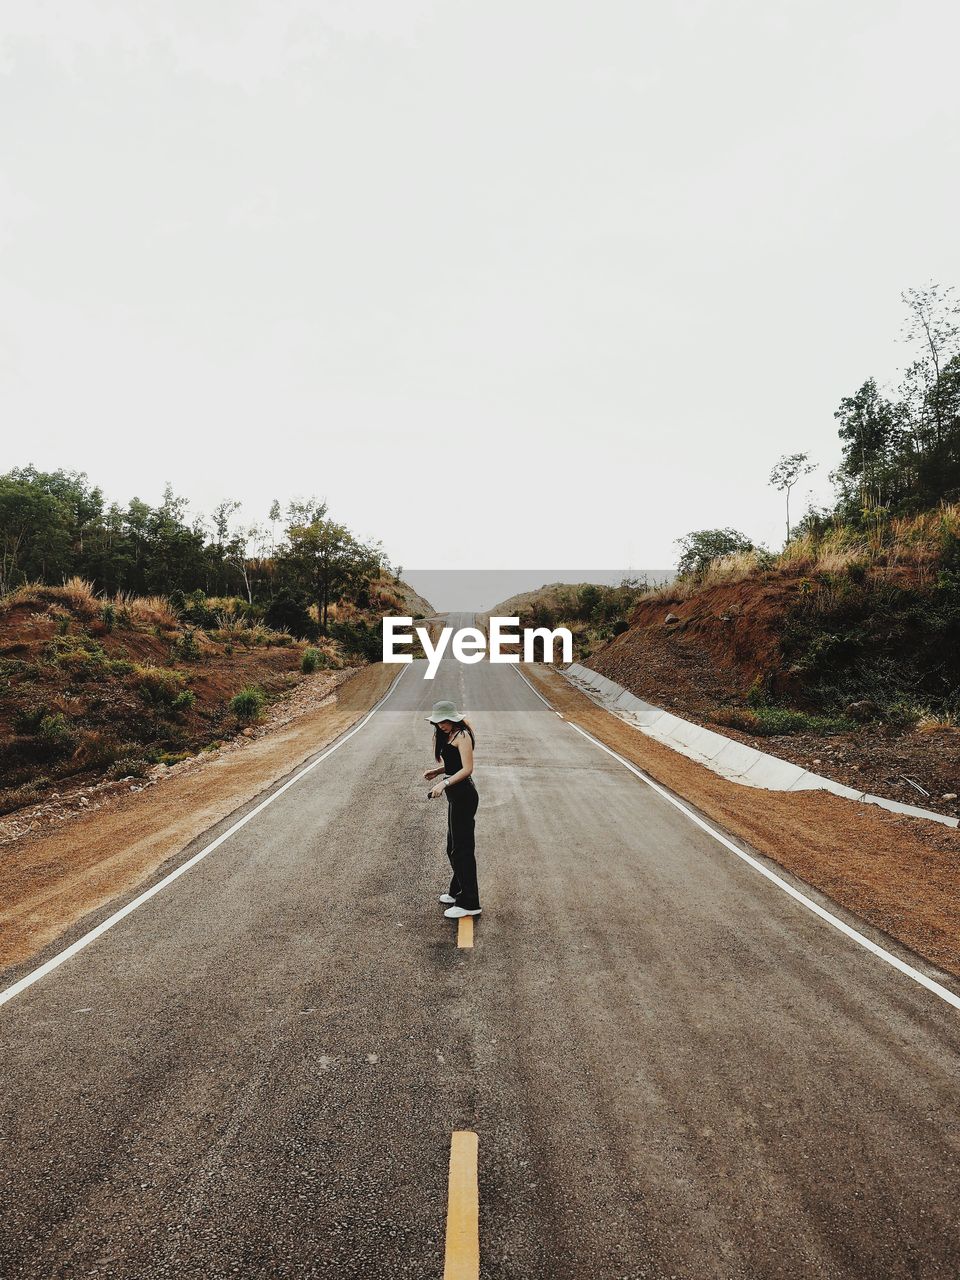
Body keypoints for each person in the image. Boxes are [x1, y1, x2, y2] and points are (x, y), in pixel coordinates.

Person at [424, 700, 481, 918]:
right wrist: (438, 772)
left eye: (444, 721)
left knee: (463, 849)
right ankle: (458, 891)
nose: (441, 726)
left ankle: (470, 902)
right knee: (453, 846)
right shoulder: (449, 736)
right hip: (455, 796)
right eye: (437, 722)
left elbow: (467, 769)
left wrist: (443, 783)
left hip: (464, 795)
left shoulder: (463, 736)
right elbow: (454, 764)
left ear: (453, 718)